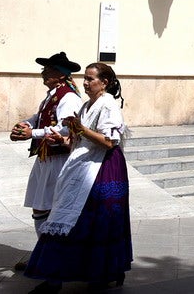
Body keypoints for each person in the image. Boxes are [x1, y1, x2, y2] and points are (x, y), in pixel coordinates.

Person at [25, 62, 131, 293]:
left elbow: (108, 141)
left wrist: (80, 129)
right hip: (81, 166)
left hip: (103, 169)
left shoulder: (109, 105)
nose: (85, 82)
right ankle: (56, 276)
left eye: (91, 79)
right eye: (85, 78)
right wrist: (62, 140)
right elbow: (78, 139)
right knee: (68, 217)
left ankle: (101, 272)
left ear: (104, 82)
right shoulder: (86, 106)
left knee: (97, 222)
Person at [9, 52, 83, 271]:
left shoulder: (68, 97)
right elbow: (39, 116)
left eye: (48, 70)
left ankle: (50, 259)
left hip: (57, 160)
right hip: (45, 158)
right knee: (41, 208)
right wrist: (25, 124)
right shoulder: (52, 95)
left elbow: (65, 127)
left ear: (60, 75)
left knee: (48, 209)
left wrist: (32, 133)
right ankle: (44, 255)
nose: (44, 73)